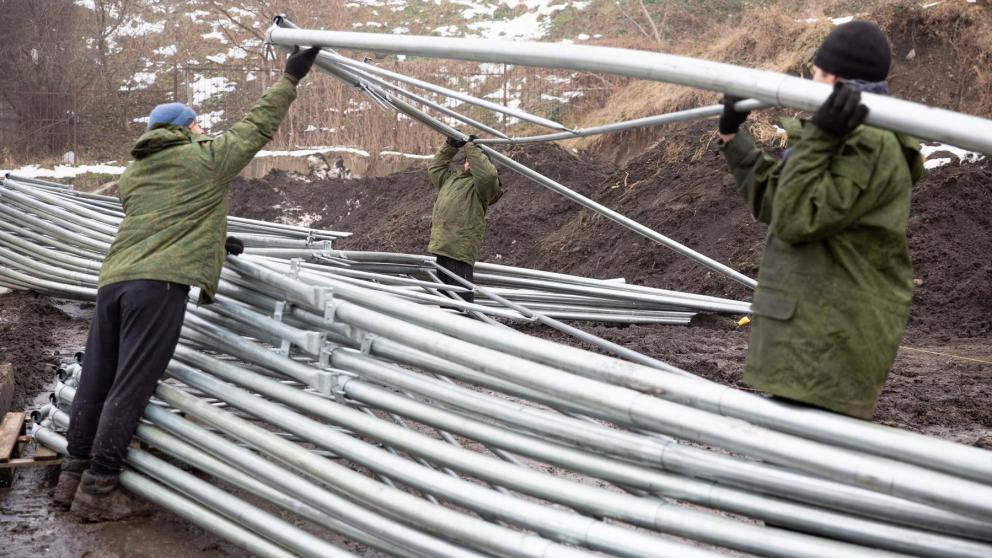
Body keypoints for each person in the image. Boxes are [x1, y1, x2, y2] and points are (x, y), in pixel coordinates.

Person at [53, 46, 321, 521]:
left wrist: (216, 240)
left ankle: (71, 476)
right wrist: (290, 78)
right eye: (197, 124)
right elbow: (256, 127)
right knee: (130, 386)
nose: (203, 130)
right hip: (158, 288)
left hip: (114, 282)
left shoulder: (133, 174)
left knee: (95, 381)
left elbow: (167, 217)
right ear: (182, 129)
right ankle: (99, 488)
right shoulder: (205, 159)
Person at [717, 21, 923, 419]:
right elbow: (778, 203)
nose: (810, 77)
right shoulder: (846, 133)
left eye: (816, 69)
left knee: (799, 473)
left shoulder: (866, 141)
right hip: (815, 337)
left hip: (829, 344)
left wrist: (820, 138)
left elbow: (795, 219)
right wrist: (732, 135)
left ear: (832, 76)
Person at [427, 134, 504, 303]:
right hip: (442, 245)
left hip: (459, 248)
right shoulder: (452, 178)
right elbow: (435, 168)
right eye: (467, 159)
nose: (468, 162)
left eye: (473, 160)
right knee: (445, 298)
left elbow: (488, 176)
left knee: (460, 299)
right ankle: (447, 327)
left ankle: (465, 326)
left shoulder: (483, 188)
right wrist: (450, 146)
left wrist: (471, 147)